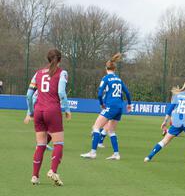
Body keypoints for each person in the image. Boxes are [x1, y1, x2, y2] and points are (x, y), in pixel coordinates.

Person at [24, 49, 71, 186]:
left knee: (40, 145)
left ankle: (34, 176)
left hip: (39, 110)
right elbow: (61, 92)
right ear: (60, 60)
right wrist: (67, 109)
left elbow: (28, 95)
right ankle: (53, 171)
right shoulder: (62, 73)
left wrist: (31, 112)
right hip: (52, 110)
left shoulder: (37, 73)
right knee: (58, 143)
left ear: (48, 59)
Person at [81, 53, 132, 160]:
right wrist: (129, 105)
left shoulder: (106, 78)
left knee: (96, 127)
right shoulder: (118, 79)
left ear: (106, 68)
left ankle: (93, 152)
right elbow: (127, 93)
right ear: (114, 69)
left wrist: (101, 103)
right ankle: (116, 154)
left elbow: (100, 94)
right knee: (111, 131)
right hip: (119, 107)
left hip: (111, 106)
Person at [145, 79, 185, 164]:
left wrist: (165, 121)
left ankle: (149, 157)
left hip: (176, 122)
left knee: (164, 141)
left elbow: (170, 109)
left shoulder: (178, 95)